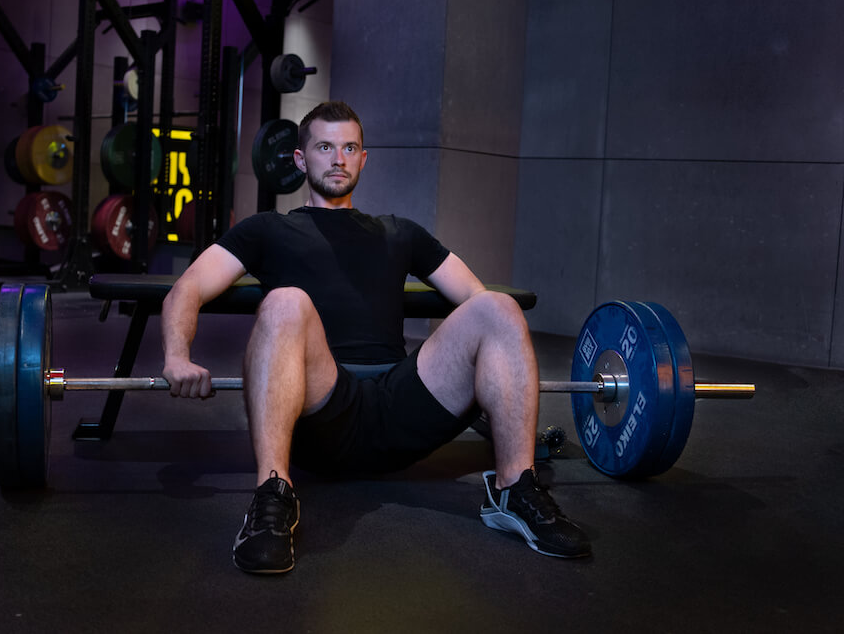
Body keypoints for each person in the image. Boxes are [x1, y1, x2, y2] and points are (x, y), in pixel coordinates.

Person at [160, 101, 591, 574]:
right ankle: (272, 497)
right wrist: (177, 356)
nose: (338, 158)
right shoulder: (267, 229)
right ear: (301, 160)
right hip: (321, 406)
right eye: (325, 147)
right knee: (286, 302)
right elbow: (190, 287)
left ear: (364, 158)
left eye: (349, 147)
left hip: (400, 404)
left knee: (498, 307)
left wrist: (495, 397)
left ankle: (514, 488)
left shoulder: (399, 232)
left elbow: (475, 300)